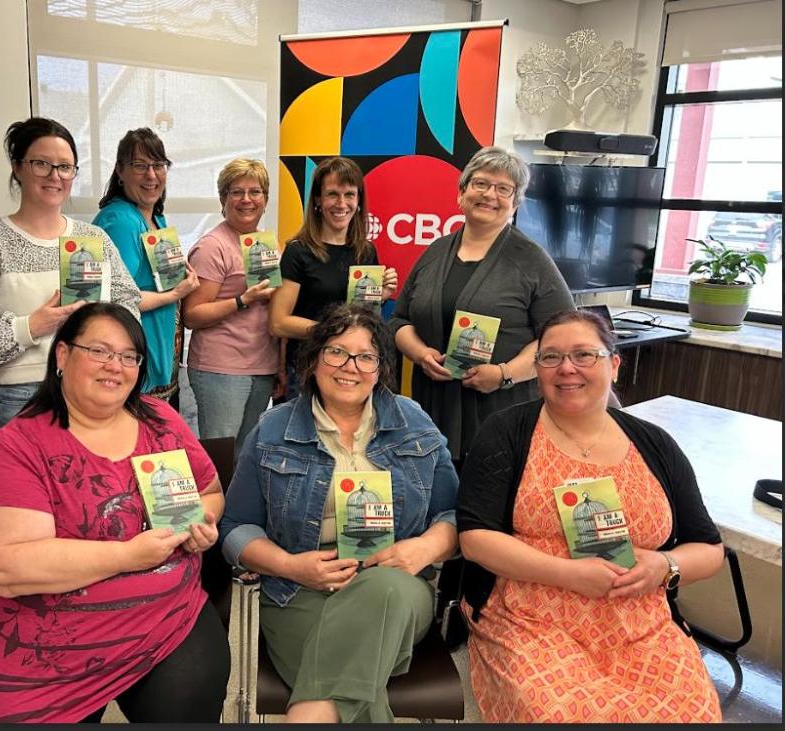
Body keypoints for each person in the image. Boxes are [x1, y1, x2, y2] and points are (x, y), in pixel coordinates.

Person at [0, 303, 230, 723]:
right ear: (63, 356)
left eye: (128, 356)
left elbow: (209, 492)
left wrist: (202, 523)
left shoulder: (159, 419)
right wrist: (126, 556)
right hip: (49, 649)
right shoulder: (21, 446)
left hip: (166, 618)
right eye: (99, 351)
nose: (114, 367)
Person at [456, 309, 724, 723]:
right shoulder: (506, 431)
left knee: (695, 713)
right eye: (550, 357)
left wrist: (665, 565)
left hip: (640, 622)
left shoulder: (655, 444)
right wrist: (569, 574)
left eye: (584, 355)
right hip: (530, 616)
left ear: (614, 365)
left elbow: (708, 549)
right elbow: (475, 538)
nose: (566, 369)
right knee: (561, 715)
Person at [220, 303, 458, 723]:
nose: (350, 366)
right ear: (312, 361)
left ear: (381, 368)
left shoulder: (413, 422)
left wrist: (424, 548)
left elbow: (455, 514)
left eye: (366, 356)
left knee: (383, 589)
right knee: (339, 692)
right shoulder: (274, 429)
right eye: (336, 352)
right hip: (299, 592)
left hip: (397, 584)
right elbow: (236, 527)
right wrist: (290, 566)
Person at [390, 145, 575, 468]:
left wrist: (503, 374)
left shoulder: (531, 260)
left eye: (504, 189)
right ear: (462, 193)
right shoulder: (435, 251)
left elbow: (562, 338)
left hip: (499, 412)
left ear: (515, 203)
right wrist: (419, 353)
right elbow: (401, 320)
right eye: (481, 184)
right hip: (432, 408)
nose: (490, 194)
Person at [0, 117, 142, 426]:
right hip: (23, 394)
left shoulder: (92, 239)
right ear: (17, 167)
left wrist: (100, 329)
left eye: (65, 167)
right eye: (41, 163)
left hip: (96, 386)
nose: (55, 176)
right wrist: (31, 326)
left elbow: (129, 306)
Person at [269, 156, 397, 399]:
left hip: (353, 371)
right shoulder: (298, 251)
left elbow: (361, 316)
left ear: (359, 200)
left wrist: (378, 298)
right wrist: (333, 332)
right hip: (309, 370)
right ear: (318, 200)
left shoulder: (366, 251)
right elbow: (278, 322)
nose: (341, 203)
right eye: (332, 194)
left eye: (349, 194)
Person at [93, 128, 199, 407]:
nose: (151, 175)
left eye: (158, 165)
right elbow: (118, 299)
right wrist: (176, 294)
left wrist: (180, 273)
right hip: (133, 369)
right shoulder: (120, 221)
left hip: (161, 365)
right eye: (140, 166)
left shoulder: (156, 218)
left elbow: (158, 279)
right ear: (120, 170)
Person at [182, 159, 280, 456]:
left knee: (245, 455)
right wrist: (242, 300)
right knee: (221, 455)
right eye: (237, 192)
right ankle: (217, 505)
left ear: (265, 199)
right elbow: (192, 315)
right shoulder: (213, 247)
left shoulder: (268, 244)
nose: (246, 200)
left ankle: (236, 505)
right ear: (223, 199)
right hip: (221, 368)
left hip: (261, 365)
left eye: (255, 192)